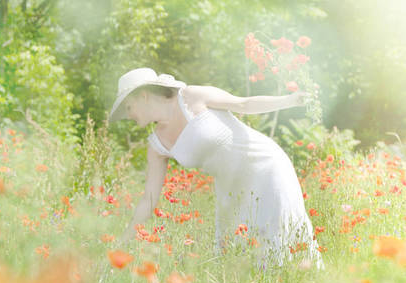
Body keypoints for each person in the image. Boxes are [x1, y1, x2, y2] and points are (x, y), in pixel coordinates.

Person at [109, 67, 322, 269]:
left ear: (144, 96)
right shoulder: (157, 145)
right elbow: (148, 199)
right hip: (233, 190)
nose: (128, 115)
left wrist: (292, 100)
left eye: (128, 107)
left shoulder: (191, 96)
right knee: (241, 260)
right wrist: (121, 243)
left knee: (285, 242)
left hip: (266, 167)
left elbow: (244, 104)